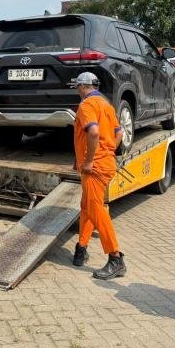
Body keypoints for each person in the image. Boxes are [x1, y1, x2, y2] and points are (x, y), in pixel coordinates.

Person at [71, 71, 126, 280]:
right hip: (105, 163)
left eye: (77, 87)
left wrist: (89, 160)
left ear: (82, 86)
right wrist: (108, 150)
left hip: (94, 168)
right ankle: (81, 248)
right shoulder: (106, 105)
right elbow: (119, 133)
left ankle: (115, 258)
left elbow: (93, 132)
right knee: (87, 206)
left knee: (96, 210)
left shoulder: (86, 105)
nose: (77, 91)